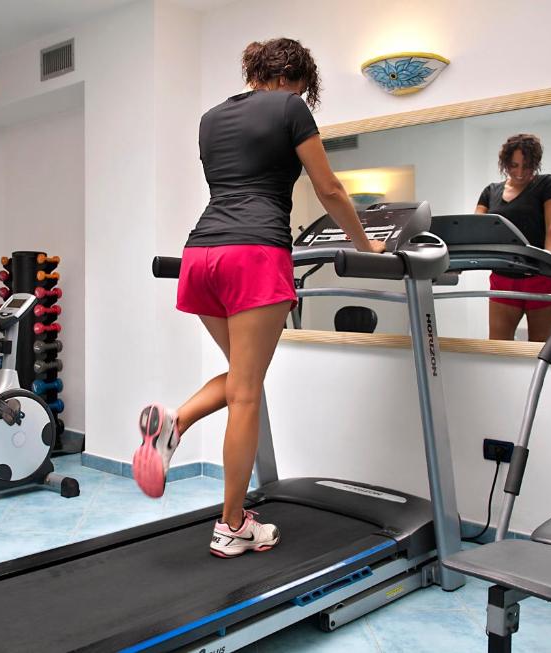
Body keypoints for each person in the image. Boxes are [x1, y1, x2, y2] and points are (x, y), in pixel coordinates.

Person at [131, 38, 384, 558]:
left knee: (242, 378)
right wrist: (366, 245)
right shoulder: (291, 107)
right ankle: (231, 526)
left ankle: (174, 422)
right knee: (246, 391)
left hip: (200, 255)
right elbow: (330, 189)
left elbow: (229, 183)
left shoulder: (209, 118)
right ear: (299, 79)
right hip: (255, 251)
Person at [475, 133, 551, 341]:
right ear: (505, 163)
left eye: (526, 166)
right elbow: (475, 228)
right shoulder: (491, 191)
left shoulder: (546, 184)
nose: (519, 172)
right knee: (497, 348)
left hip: (541, 278)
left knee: (538, 350)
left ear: (535, 164)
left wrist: (547, 262)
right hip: (502, 278)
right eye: (514, 165)